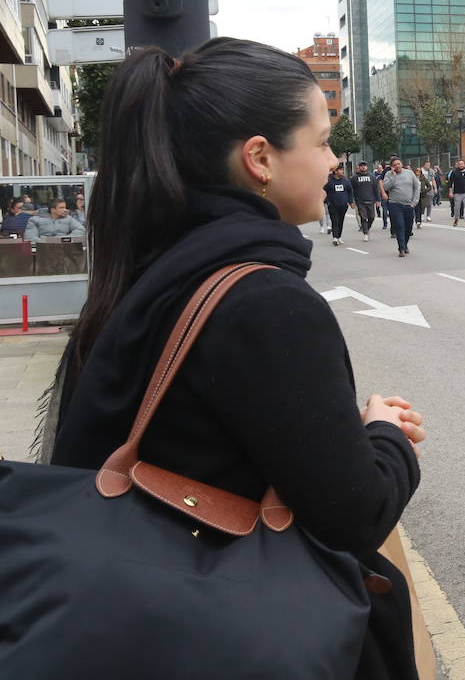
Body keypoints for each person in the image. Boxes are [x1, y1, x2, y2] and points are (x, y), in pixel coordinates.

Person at [49, 39, 425, 677]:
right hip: (228, 632)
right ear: (260, 159)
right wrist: (385, 435)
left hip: (131, 617)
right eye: (322, 139)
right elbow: (353, 514)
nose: (335, 161)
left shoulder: (158, 266)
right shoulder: (263, 302)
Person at [381, 158, 419, 257]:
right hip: (395, 204)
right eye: (394, 165)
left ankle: (405, 244)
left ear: (401, 164)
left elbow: (416, 187)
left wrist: (414, 202)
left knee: (408, 227)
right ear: (392, 167)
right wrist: (393, 177)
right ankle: (401, 248)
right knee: (400, 226)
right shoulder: (389, 174)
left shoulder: (409, 173)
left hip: (408, 204)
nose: (397, 166)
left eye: (398, 164)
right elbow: (385, 187)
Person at [322, 165, 354, 246]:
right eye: (340, 170)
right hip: (332, 205)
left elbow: (350, 191)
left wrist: (350, 202)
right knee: (335, 221)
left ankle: (339, 236)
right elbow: (323, 191)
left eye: (342, 170)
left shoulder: (345, 181)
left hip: (343, 205)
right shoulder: (329, 181)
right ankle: (335, 238)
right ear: (335, 172)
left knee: (341, 221)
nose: (342, 171)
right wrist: (327, 201)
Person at [351, 161, 380, 241]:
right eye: (361, 166)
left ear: (367, 167)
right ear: (359, 167)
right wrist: (351, 200)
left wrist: (378, 200)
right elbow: (351, 190)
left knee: (372, 217)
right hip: (360, 201)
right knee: (363, 217)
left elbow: (376, 189)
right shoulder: (355, 178)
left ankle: (368, 227)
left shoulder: (372, 177)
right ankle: (365, 233)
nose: (363, 167)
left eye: (364, 166)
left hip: (371, 200)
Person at [448, 160, 465, 227]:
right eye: (460, 164)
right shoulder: (454, 173)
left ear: (464, 164)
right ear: (458, 165)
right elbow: (450, 183)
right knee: (457, 208)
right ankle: (456, 219)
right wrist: (450, 192)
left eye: (462, 164)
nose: (461, 165)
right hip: (457, 193)